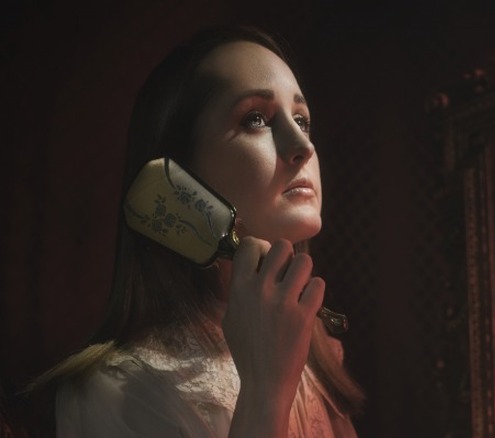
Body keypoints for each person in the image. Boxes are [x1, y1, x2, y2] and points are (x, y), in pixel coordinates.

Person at [26, 25, 364, 437]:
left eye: (302, 119)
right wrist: (264, 395)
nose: (303, 146)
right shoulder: (113, 393)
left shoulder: (318, 359)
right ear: (178, 180)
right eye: (256, 118)